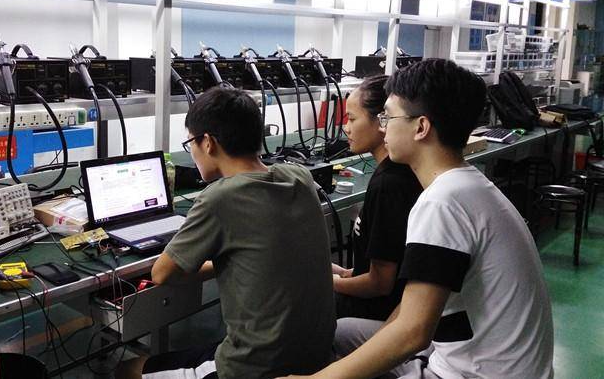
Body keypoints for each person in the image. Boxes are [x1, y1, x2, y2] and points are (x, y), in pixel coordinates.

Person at [284, 58, 554, 379]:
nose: (383, 126)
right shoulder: (468, 185)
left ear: (421, 127)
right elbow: (413, 309)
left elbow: (413, 333)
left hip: (473, 373)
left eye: (388, 117)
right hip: (473, 354)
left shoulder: (443, 202)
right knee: (344, 333)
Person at [117, 87, 335, 379]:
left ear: (208, 142)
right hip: (317, 355)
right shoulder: (299, 176)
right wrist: (231, 262)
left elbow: (161, 274)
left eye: (191, 143)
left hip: (252, 368)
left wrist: (218, 262)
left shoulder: (219, 198)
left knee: (126, 369)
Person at [333, 75, 422, 322]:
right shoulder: (394, 172)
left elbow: (380, 284)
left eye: (352, 119)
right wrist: (348, 273)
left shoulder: (388, 185)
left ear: (382, 120)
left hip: (376, 310)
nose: (346, 128)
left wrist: (328, 282)